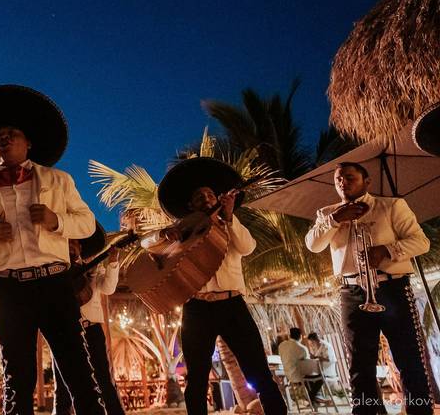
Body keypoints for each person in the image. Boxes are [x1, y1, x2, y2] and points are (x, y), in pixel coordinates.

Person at [0, 84, 107, 415]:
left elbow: (87, 224)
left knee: (79, 373)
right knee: (17, 379)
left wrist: (56, 221)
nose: (4, 140)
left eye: (12, 134)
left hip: (55, 283)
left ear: (28, 143)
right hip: (7, 288)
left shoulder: (59, 180)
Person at [148, 157, 286, 415]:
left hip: (232, 305)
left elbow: (247, 248)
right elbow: (148, 247)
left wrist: (230, 215)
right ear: (190, 205)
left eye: (210, 194)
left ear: (219, 198)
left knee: (258, 370)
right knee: (197, 378)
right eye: (199, 196)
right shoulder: (182, 232)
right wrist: (162, 235)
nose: (206, 198)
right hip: (197, 308)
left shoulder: (231, 225)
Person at [305, 161, 434, 415]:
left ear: (367, 182)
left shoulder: (392, 206)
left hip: (392, 287)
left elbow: (421, 242)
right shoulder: (327, 213)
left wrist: (388, 250)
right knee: (359, 365)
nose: (343, 182)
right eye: (338, 179)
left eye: (349, 177)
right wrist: (334, 220)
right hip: (351, 292)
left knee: (408, 358)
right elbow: (313, 245)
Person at [53, 223, 125, 415]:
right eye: (66, 241)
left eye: (75, 242)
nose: (71, 245)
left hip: (91, 330)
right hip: (63, 330)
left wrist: (112, 262)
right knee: (62, 385)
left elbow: (108, 288)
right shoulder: (54, 272)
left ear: (80, 248)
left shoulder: (93, 268)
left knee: (103, 379)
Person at [278, 328, 325, 406]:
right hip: (299, 376)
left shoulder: (281, 345)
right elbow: (307, 364)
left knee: (309, 380)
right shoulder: (301, 348)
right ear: (300, 336)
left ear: (290, 336)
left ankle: (314, 400)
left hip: (288, 375)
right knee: (321, 378)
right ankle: (312, 398)